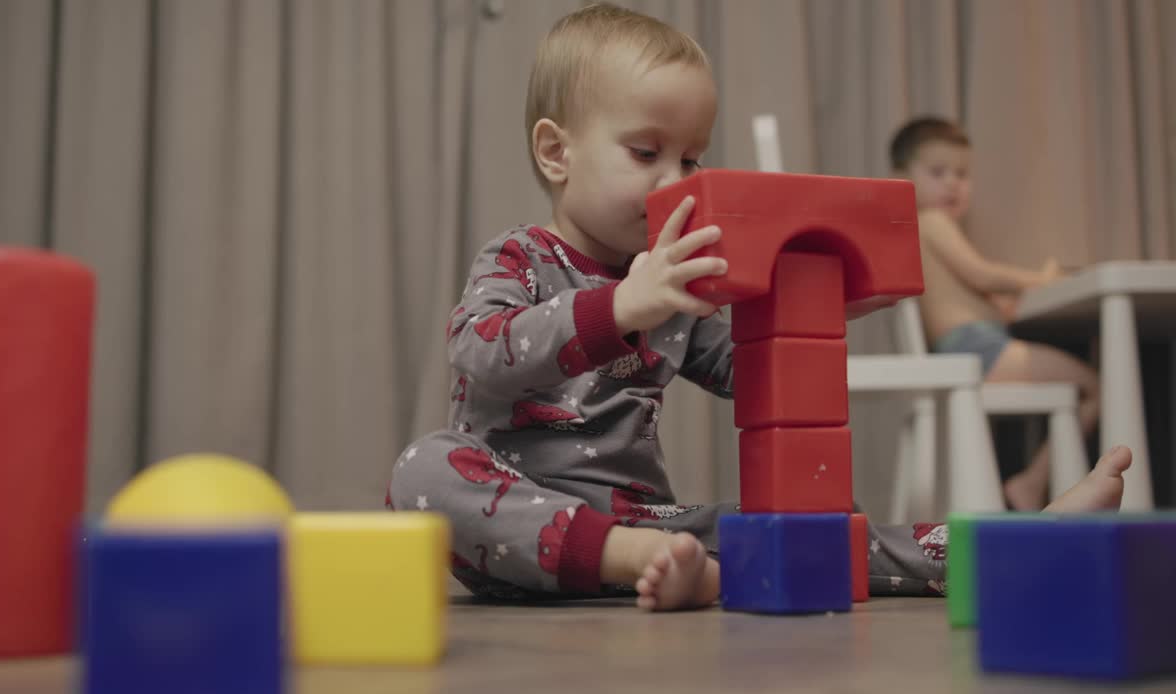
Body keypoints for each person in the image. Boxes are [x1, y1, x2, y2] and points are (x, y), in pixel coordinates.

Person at [389, 3, 1129, 612]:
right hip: (511, 527)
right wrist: (621, 306)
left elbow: (753, 373)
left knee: (809, 530)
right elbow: (479, 355)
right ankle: (634, 563)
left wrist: (813, 310)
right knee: (421, 470)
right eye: (647, 154)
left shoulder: (679, 281)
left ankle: (1027, 544)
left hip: (651, 522)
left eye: (691, 157)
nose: (675, 179)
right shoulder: (521, 257)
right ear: (557, 153)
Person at [889, 116, 1103, 511]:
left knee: (1084, 384)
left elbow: (972, 293)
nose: (953, 183)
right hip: (977, 350)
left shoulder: (921, 230)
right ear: (903, 178)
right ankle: (1031, 482)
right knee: (1093, 386)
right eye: (939, 172)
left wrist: (1001, 306)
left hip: (972, 346)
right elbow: (981, 273)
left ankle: (1031, 483)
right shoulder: (932, 222)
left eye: (962, 173)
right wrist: (1040, 280)